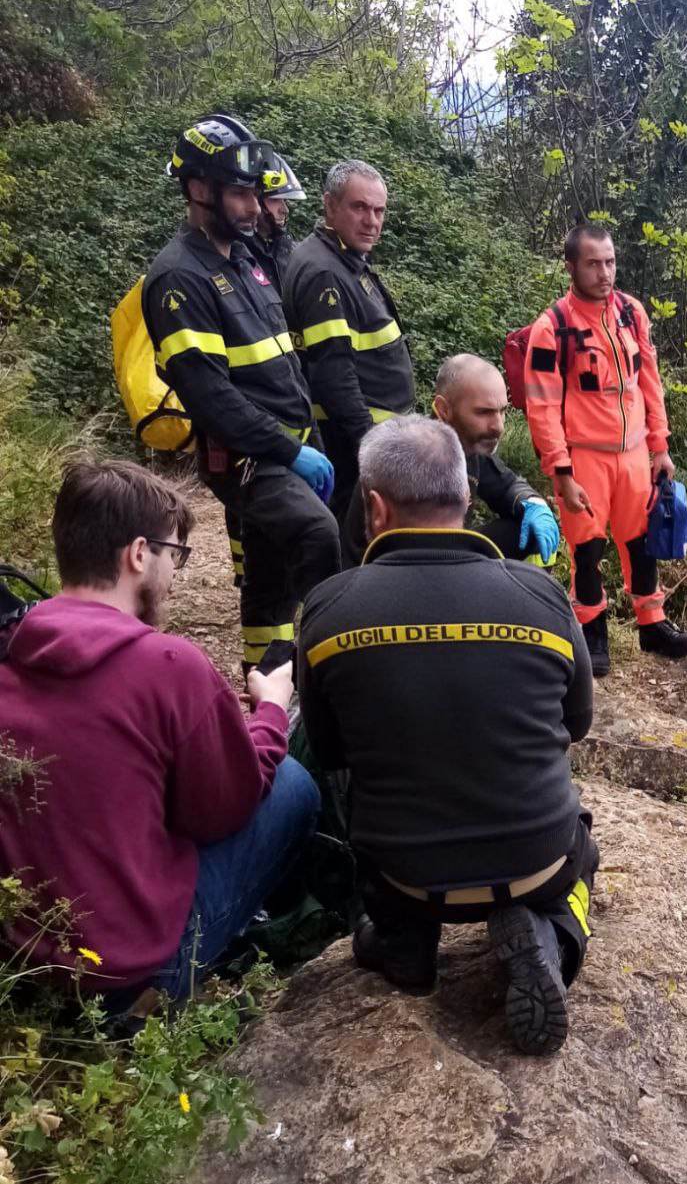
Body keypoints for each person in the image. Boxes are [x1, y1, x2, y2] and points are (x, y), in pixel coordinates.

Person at [298, 416, 597, 1055]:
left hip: (405, 874)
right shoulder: (541, 596)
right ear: (466, 497)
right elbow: (576, 725)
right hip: (537, 861)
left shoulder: (327, 610)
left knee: (380, 850)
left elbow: (330, 754)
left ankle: (405, 944)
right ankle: (552, 936)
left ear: (373, 507)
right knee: (584, 849)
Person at [0, 460, 319, 1010]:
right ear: (139, 553)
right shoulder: (168, 664)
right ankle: (245, 944)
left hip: (27, 963)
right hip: (134, 972)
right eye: (176, 556)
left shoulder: (11, 648)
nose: (175, 575)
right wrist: (270, 710)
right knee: (291, 784)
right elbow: (224, 811)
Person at [142, 113, 340, 673]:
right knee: (317, 535)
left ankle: (266, 679)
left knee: (268, 571)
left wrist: (310, 438)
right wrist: (287, 451)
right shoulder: (178, 279)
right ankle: (331, 673)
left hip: (290, 440)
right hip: (250, 454)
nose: (254, 207)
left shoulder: (247, 256)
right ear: (198, 189)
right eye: (239, 193)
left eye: (256, 192)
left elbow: (283, 364)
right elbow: (210, 397)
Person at [522, 223, 687, 677]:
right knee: (586, 547)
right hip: (583, 457)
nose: (604, 273)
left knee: (641, 541)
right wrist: (559, 470)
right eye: (593, 263)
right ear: (571, 266)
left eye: (610, 261)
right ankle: (592, 630)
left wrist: (660, 445)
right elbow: (541, 406)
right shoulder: (552, 328)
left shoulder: (631, 314)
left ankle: (651, 623)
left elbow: (650, 383)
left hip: (635, 453)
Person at [284, 160, 415, 555]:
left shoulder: (342, 259)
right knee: (356, 550)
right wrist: (372, 445)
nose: (372, 221)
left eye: (379, 210)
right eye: (359, 207)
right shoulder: (325, 272)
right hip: (353, 445)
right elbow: (333, 374)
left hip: (369, 441)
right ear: (329, 206)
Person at [433, 353, 560, 563]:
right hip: (412, 569)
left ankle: (529, 592)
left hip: (458, 553)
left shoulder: (468, 444)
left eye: (502, 411)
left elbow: (506, 485)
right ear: (443, 409)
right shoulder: (413, 456)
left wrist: (533, 503)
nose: (498, 427)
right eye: (483, 413)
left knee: (530, 531)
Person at [249, 152, 306, 290]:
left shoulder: (292, 253)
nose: (284, 209)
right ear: (254, 200)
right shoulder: (239, 255)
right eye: (275, 200)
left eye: (284, 200)